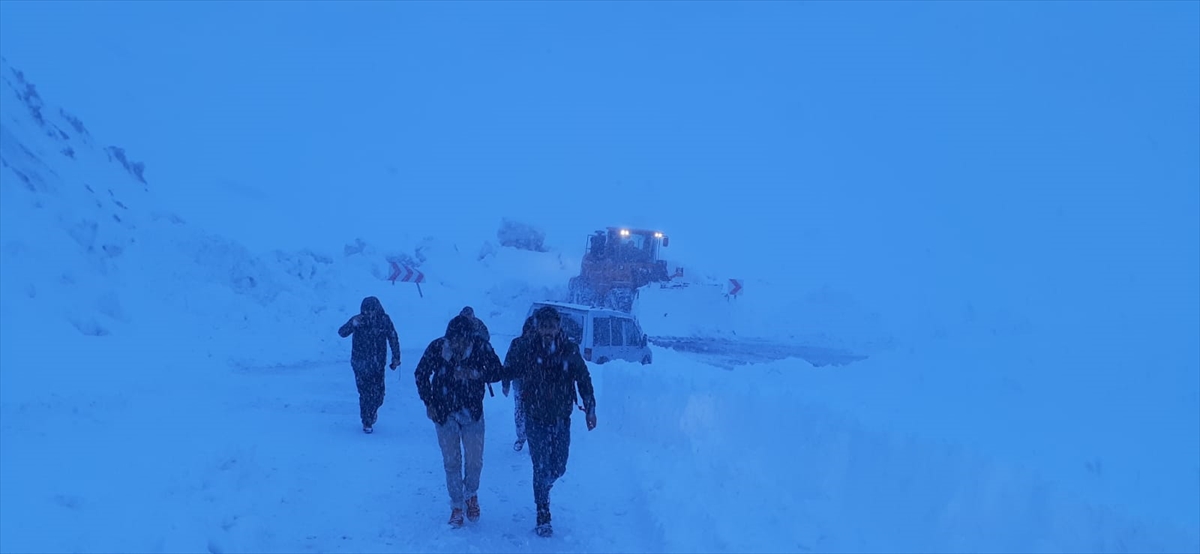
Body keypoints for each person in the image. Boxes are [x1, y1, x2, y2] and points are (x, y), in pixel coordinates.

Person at [486, 306, 597, 538]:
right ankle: (543, 511)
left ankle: (545, 487)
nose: (547, 331)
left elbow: (583, 379)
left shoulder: (569, 349)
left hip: (561, 418)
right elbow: (509, 370)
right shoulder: (527, 349)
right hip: (534, 417)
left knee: (559, 466)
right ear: (538, 327)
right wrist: (488, 370)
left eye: (551, 326)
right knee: (540, 465)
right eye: (543, 326)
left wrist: (590, 408)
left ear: (558, 327)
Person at [414, 315, 504, 528]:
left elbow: (498, 372)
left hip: (472, 412)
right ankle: (456, 505)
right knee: (451, 461)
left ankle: (471, 494)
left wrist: (475, 373)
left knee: (475, 460)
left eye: (464, 340)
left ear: (471, 339)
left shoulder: (481, 347)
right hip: (444, 413)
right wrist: (429, 403)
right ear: (448, 338)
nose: (459, 345)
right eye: (455, 340)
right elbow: (421, 373)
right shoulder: (437, 347)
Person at [337, 296, 401, 434]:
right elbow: (341, 333)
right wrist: (352, 324)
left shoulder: (384, 320)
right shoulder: (357, 320)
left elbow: (393, 337)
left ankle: (372, 412)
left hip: (378, 364)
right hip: (359, 363)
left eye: (371, 311)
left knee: (379, 394)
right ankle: (366, 421)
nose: (368, 314)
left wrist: (396, 357)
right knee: (364, 394)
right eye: (365, 311)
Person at [502, 316, 535, 451]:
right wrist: (506, 382)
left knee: (535, 413)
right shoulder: (516, 343)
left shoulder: (542, 345)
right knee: (520, 413)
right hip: (519, 384)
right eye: (529, 330)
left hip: (538, 385)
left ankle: (534, 440)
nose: (531, 333)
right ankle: (521, 438)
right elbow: (508, 362)